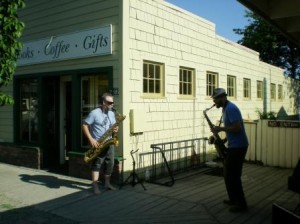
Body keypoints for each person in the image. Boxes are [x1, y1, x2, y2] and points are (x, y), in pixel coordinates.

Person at [210, 88, 249, 213]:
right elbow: (233, 128)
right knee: (228, 175)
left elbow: (237, 128)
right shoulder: (225, 109)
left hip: (239, 147)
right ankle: (233, 199)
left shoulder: (231, 109)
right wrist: (225, 140)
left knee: (234, 176)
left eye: (215, 99)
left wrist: (220, 129)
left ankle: (241, 204)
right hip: (234, 145)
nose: (214, 102)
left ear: (222, 98)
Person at [82, 92, 118, 194]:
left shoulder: (111, 113)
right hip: (98, 143)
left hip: (109, 142)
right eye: (109, 102)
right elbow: (84, 125)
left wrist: (115, 129)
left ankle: (107, 184)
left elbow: (113, 127)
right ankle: (95, 187)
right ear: (103, 102)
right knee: (97, 165)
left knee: (110, 164)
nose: (112, 104)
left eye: (113, 102)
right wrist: (91, 140)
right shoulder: (94, 113)